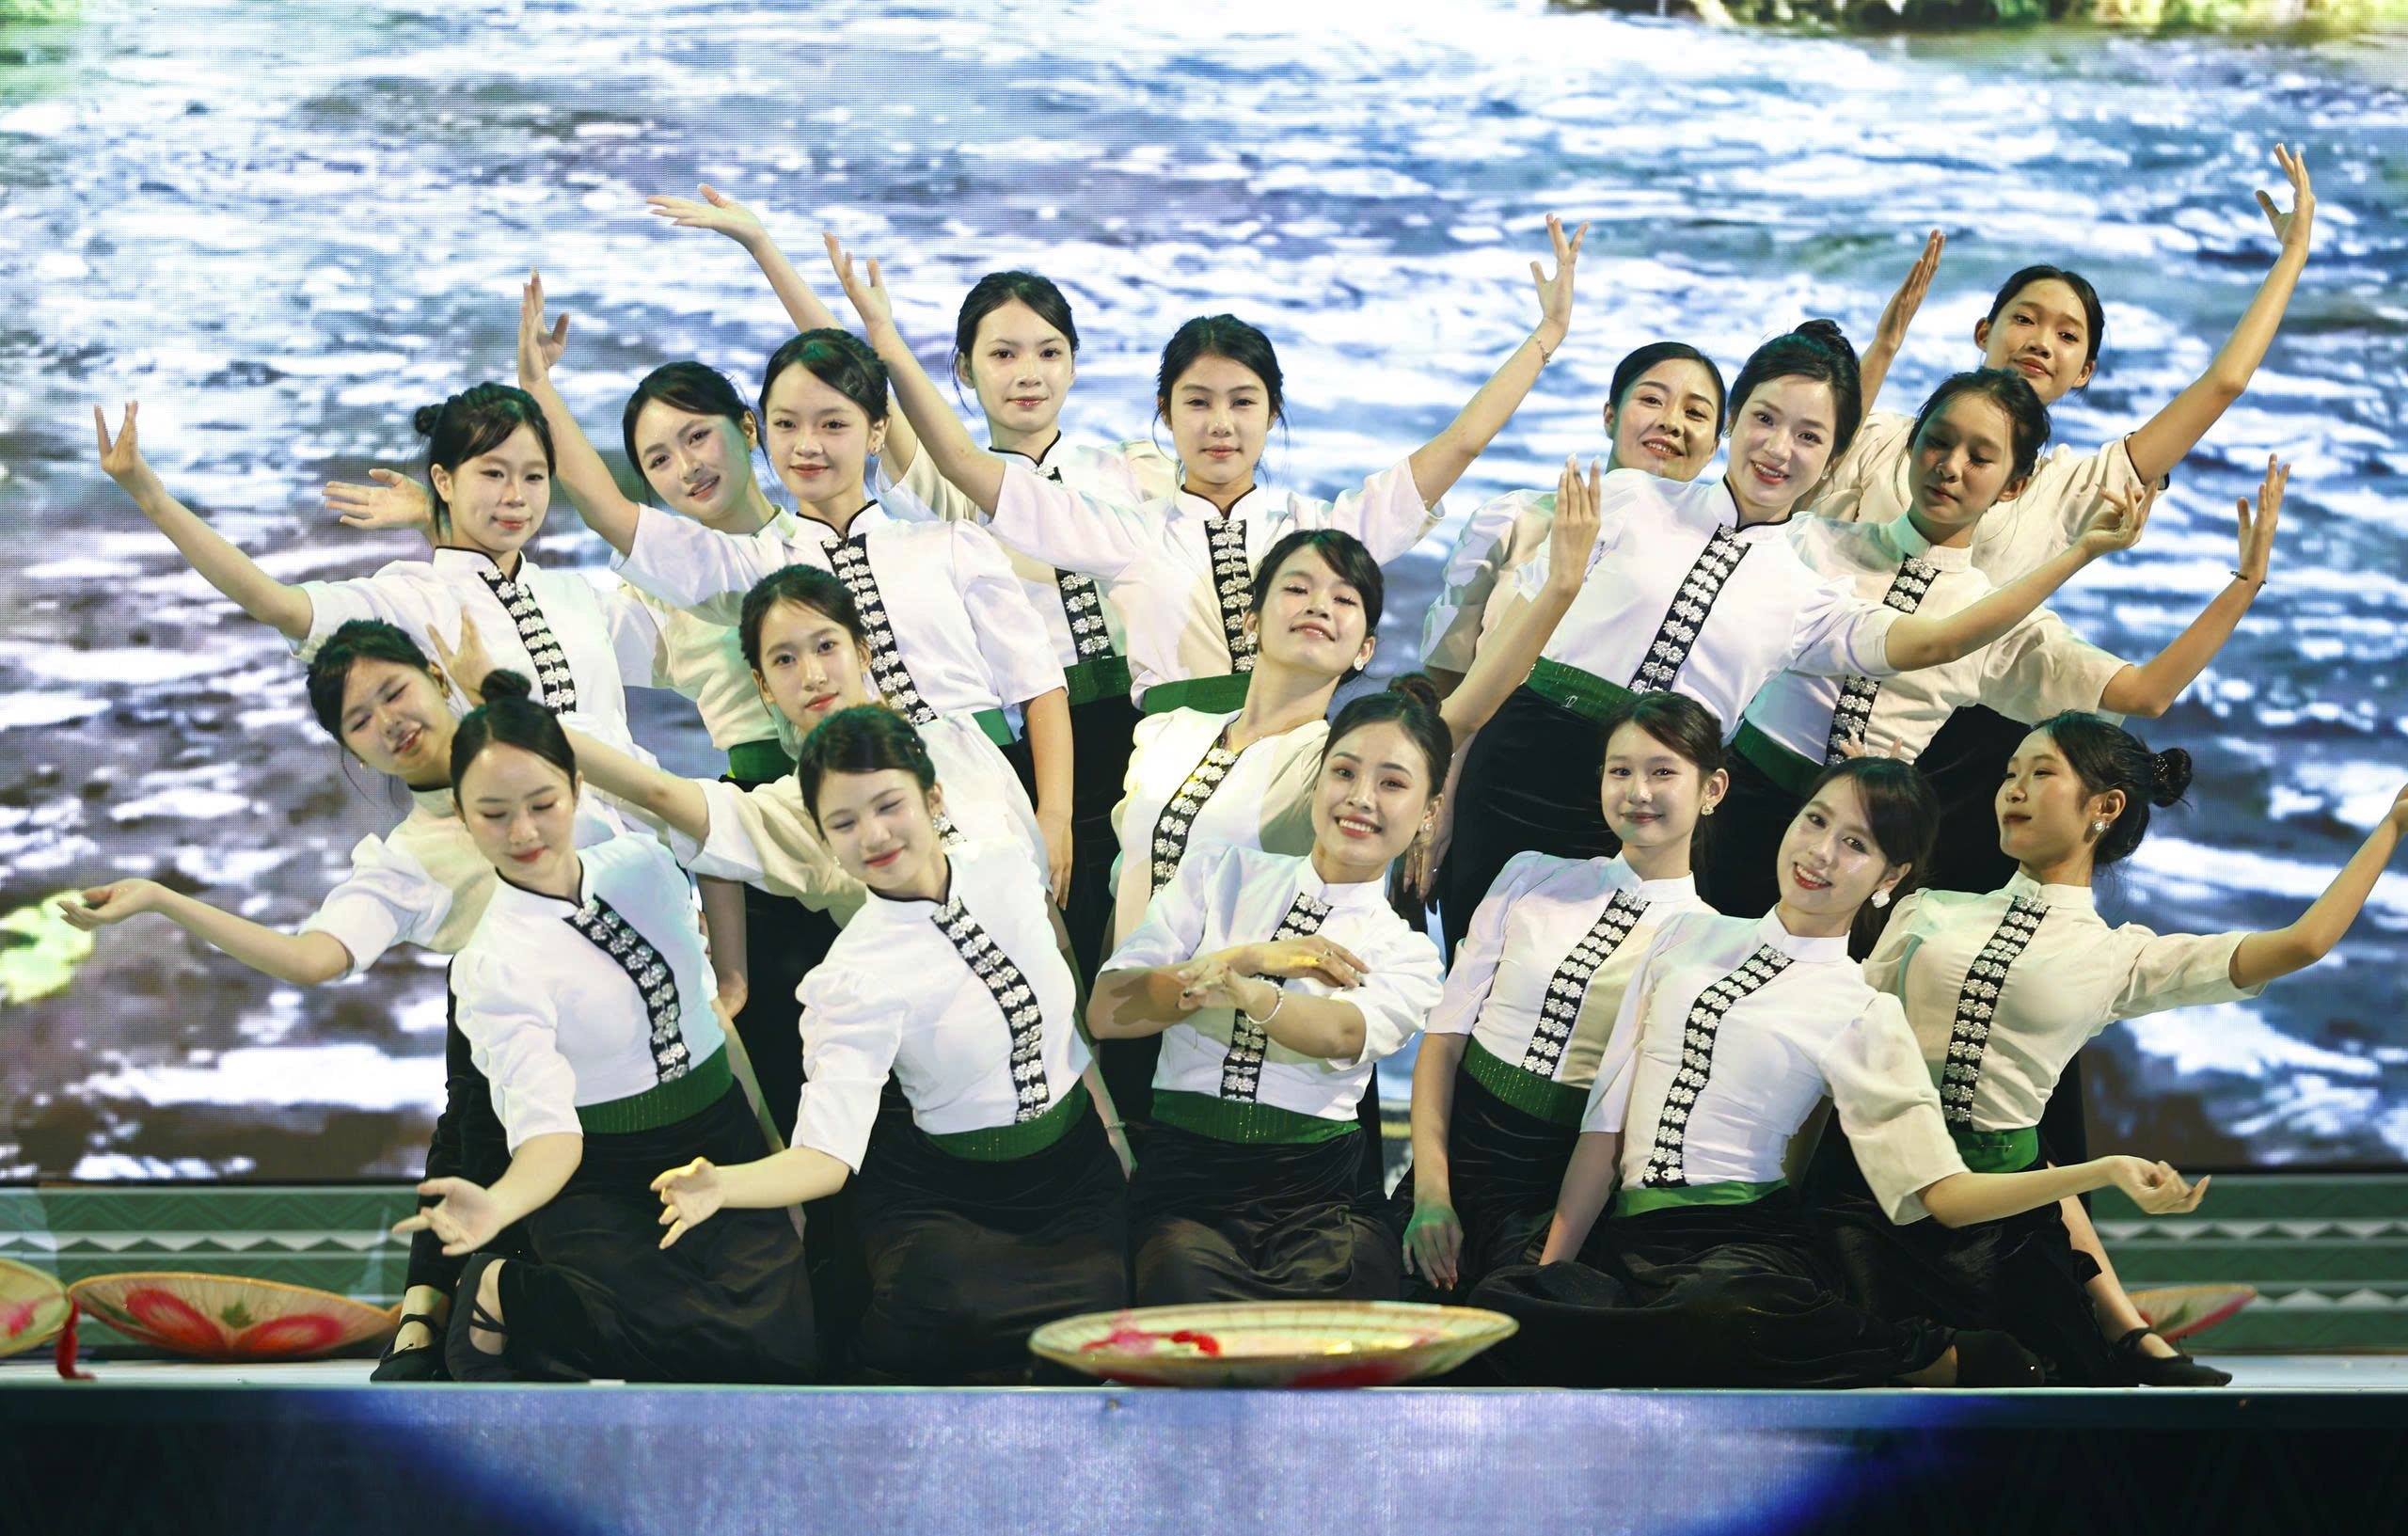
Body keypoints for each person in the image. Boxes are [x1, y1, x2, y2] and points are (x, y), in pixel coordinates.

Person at [1468, 758, 2208, 1388]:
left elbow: (1945, 1196)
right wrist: (1554, 1268)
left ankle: (1935, 1357)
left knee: (1727, 1316)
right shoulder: (1684, 934)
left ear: (1891, 877)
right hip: (1628, 1241)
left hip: (1736, 1250)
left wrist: (2104, 1170)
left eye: (1855, 844)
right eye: (1816, 821)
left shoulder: (1861, 1008)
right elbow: (1605, 1123)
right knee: (1505, 1305)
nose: (1820, 852)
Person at [1438, 319, 2151, 955]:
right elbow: (1499, 659)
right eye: (1763, 419)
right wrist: (1438, 793)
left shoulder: (1809, 590)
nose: (1779, 449)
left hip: (1658, 818)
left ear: (1834, 454)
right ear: (1733, 419)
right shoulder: (1629, 497)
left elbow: (1937, 641)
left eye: (1810, 436)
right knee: (1468, 988)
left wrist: (2079, 554)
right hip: (1518, 775)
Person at [54, 620, 634, 1382]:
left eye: (395, 692)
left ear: (435, 677)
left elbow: (662, 814)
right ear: (353, 752)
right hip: (518, 1047)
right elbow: (311, 957)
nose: (390, 722)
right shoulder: (410, 860)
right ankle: (429, 1320)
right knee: (479, 1123)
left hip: (634, 1012)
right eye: (360, 721)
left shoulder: (550, 745)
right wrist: (165, 901)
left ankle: (428, 1312)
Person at [1814, 713, 2408, 1386]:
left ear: (2106, 806)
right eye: (2010, 774)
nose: (2013, 789)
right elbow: (1838, 1040)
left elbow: (2300, 943)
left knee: (2035, 1381)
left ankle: (2124, 1326)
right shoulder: (1927, 909)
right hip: (1868, 1194)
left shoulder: (2118, 957)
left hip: (2000, 1231)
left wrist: (2390, 829)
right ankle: (2129, 1325)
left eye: (2041, 773)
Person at [827, 214, 1589, 712]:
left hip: (1296, 760)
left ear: (1272, 413)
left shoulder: (1315, 532)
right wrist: (886, 340)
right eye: (1197, 402)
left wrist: (1545, 339)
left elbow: (1458, 445)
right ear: (1166, 413)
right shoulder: (1129, 531)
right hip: (1162, 768)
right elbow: (963, 462)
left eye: (1243, 402)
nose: (1220, 424)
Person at [1815, 146, 2316, 897]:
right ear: (1983, 330)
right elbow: (1805, 490)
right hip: (1798, 706)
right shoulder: (1889, 437)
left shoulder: (2072, 486)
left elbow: (2224, 383)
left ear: (2085, 373)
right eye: (2024, 319)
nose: (2040, 340)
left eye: (2068, 335)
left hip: (1930, 747)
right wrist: (1882, 348)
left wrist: (2293, 255)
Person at [327, 357, 820, 1105]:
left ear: (748, 429)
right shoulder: (648, 594)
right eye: (657, 459)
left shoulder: (804, 554)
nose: (685, 468)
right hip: (717, 830)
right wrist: (445, 522)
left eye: (697, 438)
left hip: (808, 804)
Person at [507, 274, 1078, 905]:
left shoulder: (950, 542)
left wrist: (1054, 815)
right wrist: (539, 389)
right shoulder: (762, 570)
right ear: (766, 432)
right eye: (787, 425)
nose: (807, 446)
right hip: (854, 817)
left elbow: (1039, 685)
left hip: (987, 791)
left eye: (832, 423)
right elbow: (614, 515)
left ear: (877, 431)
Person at [652, 708, 1126, 1385]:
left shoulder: (1006, 865)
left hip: (1076, 1179)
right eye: (843, 823)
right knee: (945, 1325)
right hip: (954, 1204)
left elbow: (1072, 1015)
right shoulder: (854, 974)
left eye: (888, 804)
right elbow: (826, 1156)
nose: (872, 835)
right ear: (825, 839)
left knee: (1100, 1341)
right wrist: (723, 1186)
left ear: (933, 797)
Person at [1707, 372, 2288, 919]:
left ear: (2015, 485)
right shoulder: (1814, 540)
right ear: (1911, 446)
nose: (1950, 467)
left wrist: (2245, 584)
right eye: (1938, 442)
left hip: (1869, 845)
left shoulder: (1996, 621)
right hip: (1739, 804)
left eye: (1980, 458)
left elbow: (2146, 693)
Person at [395, 673, 816, 1385]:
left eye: (542, 804)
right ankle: (502, 1288)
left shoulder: (645, 865)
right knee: (683, 1349)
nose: (523, 832)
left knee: (783, 1354)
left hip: (718, 1148)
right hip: (601, 1178)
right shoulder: (493, 963)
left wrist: (775, 1160)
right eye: (494, 813)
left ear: (576, 788)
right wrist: (498, 1203)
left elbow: (713, 1017)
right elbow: (550, 1133)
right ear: (463, 816)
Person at [1090, 680, 1451, 1305]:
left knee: (1332, 1319)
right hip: (1185, 1185)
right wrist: (1248, 959)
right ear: (1318, 780)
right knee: (1184, 1298)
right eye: (1344, 772)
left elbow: (1341, 1032)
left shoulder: (1408, 952)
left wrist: (1248, 995)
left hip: (1318, 1198)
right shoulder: (1216, 873)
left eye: (1392, 783)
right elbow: (1107, 1012)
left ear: (1429, 811)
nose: (1361, 799)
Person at [95, 387, 651, 764]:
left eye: (534, 476)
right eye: (492, 474)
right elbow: (274, 603)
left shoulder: (578, 595)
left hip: (644, 864)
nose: (516, 497)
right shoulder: (409, 598)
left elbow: (690, 623)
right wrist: (150, 495)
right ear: (444, 480)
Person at [1400, 691, 1723, 1300]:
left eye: (1663, 772)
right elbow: (1442, 1042)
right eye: (1620, 770)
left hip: (1562, 1203)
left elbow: (1616, 1124)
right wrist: (1430, 1195)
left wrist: (1549, 1271)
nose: (1638, 791)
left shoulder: (1709, 944)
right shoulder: (1530, 874)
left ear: (1712, 789)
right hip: (1450, 1169)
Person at [1420, 341, 1727, 694]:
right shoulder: (1511, 521)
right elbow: (1442, 676)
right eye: (1651, 400)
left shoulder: (1715, 570)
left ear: (1713, 449)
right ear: (1610, 416)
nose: (1671, 422)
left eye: (1695, 413)